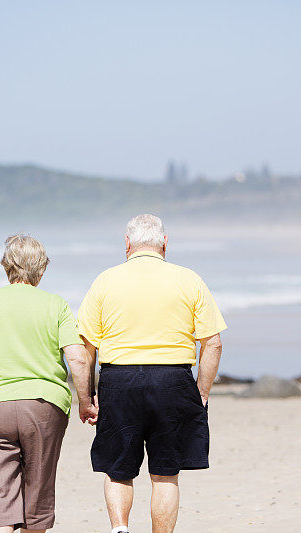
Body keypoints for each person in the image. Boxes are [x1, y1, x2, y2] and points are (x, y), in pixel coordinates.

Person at [78, 214, 226, 533]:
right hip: (173, 380)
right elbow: (212, 344)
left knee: (118, 468)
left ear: (127, 244)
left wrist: (86, 396)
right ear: (165, 243)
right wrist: (200, 392)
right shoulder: (189, 279)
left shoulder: (105, 280)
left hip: (118, 380)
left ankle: (120, 529)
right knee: (166, 473)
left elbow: (85, 348)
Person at [0, 234, 97, 533]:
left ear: (6, 267)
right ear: (42, 270)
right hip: (43, 406)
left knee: (0, 497)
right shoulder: (55, 305)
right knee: (37, 498)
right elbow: (78, 359)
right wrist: (85, 401)